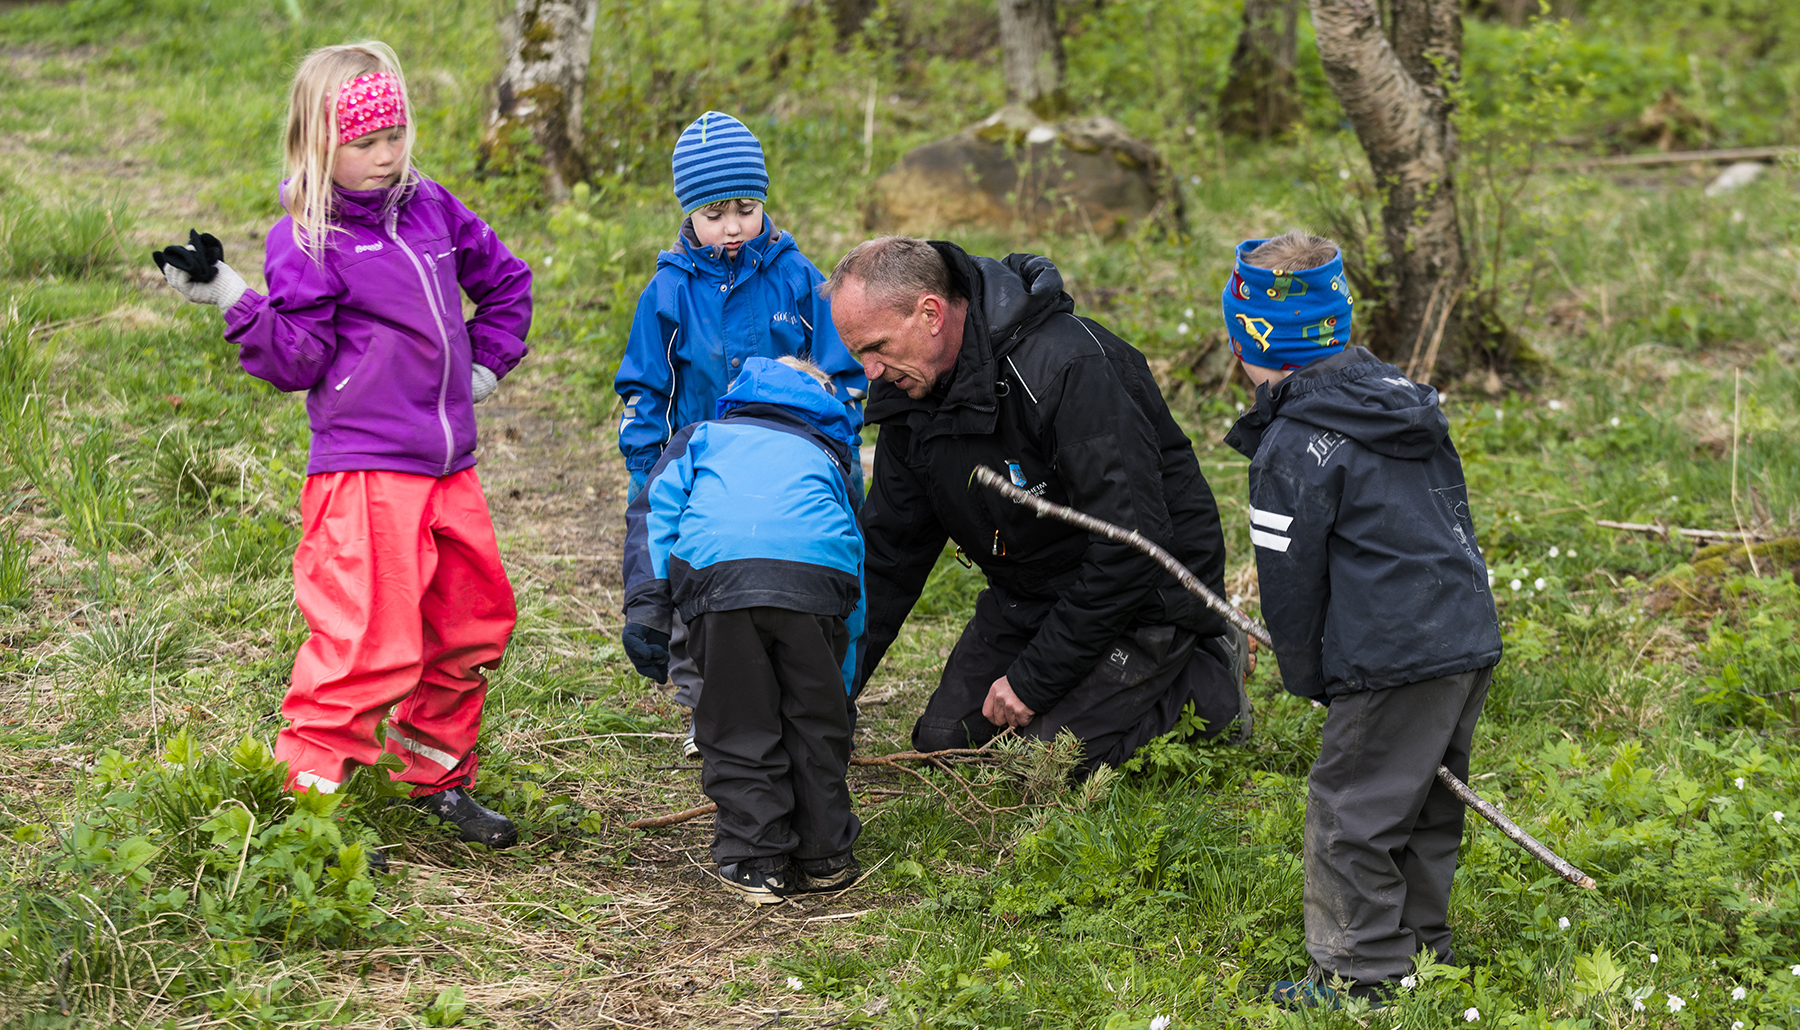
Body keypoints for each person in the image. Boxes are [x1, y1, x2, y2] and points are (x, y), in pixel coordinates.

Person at [154, 41, 531, 849]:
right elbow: (297, 359)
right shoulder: (307, 237)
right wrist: (232, 296)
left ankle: (435, 776)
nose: (386, 156)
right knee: (368, 642)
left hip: (450, 466)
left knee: (471, 626)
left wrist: (485, 366)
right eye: (364, 143)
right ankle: (306, 809)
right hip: (365, 470)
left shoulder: (432, 207)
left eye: (395, 135)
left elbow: (507, 281)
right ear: (318, 141)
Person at [823, 236, 1252, 778]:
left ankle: (1208, 679)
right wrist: (827, 695)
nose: (869, 372)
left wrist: (1032, 681)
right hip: (1030, 593)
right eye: (857, 353)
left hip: (1148, 596)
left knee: (1040, 764)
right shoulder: (910, 393)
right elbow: (890, 555)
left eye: (876, 347)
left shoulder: (1067, 368)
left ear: (930, 314)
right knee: (945, 745)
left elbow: (1131, 548)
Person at [1217, 232, 1503, 1006]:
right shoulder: (1402, 401)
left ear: (1249, 343)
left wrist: (1311, 676)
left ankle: (1361, 973)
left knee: (1352, 811)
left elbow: (1289, 583)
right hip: (1463, 631)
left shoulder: (1290, 446)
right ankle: (1422, 949)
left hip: (1389, 652)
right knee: (1427, 803)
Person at [614, 111, 867, 760]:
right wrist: (647, 465)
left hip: (793, 463)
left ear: (764, 204)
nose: (732, 227)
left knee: (812, 570)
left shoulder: (798, 278)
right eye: (714, 214)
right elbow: (646, 386)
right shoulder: (669, 291)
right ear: (688, 214)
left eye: (746, 210)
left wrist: (838, 450)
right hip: (706, 469)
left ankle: (821, 693)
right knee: (701, 583)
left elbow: (839, 369)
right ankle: (711, 707)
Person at [620, 356, 864, 905]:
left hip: (721, 578)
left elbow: (654, 517)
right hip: (816, 582)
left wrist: (647, 610)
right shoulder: (828, 456)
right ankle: (826, 854)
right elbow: (856, 571)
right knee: (815, 720)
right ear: (822, 407)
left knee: (739, 718)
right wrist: (841, 686)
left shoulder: (703, 436)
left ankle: (758, 858)